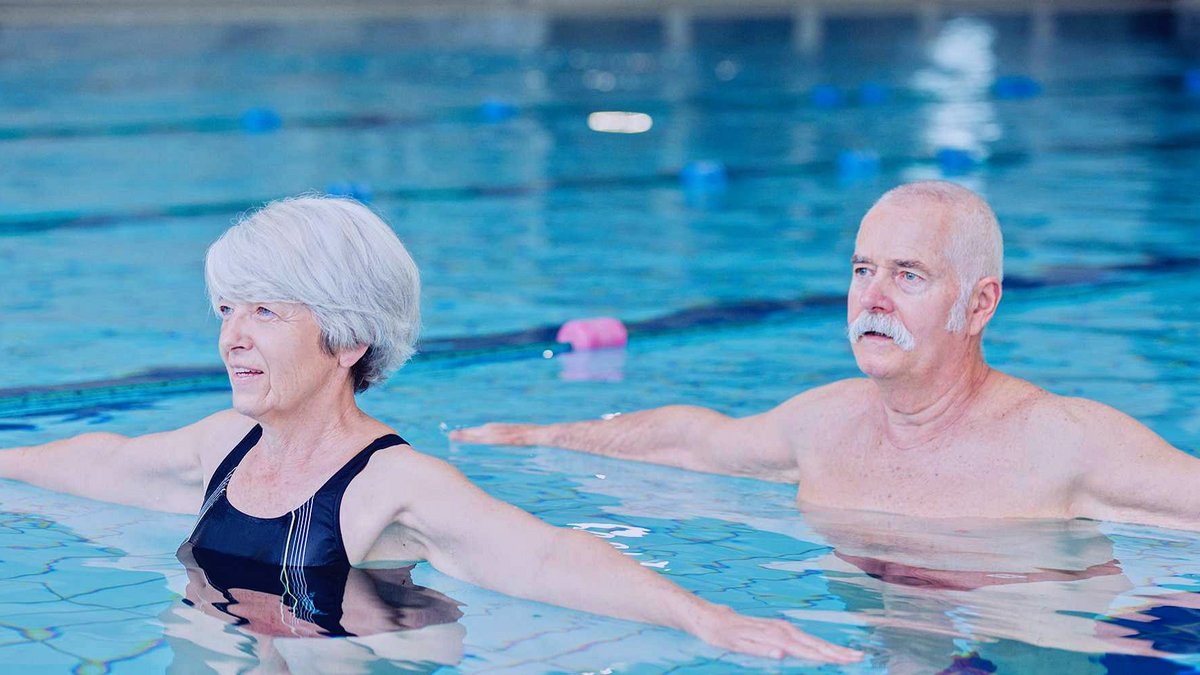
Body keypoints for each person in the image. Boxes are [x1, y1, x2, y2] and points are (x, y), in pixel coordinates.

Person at [0, 196, 861, 664]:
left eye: (264, 309)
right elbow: (101, 461)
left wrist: (704, 617)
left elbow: (546, 554)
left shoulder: (389, 483)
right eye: (228, 307)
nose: (233, 334)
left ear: (346, 337)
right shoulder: (220, 444)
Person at [452, 180, 1200, 531]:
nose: (872, 297)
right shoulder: (825, 424)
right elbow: (692, 440)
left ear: (978, 305)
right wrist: (540, 437)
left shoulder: (1062, 440)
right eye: (862, 269)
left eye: (908, 276)